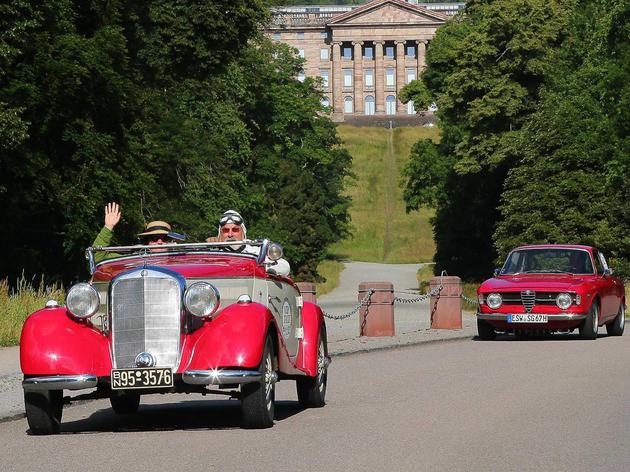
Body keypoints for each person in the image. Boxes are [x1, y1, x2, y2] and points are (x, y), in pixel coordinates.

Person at [92, 202, 184, 263]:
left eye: (164, 238)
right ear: (147, 241)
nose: (159, 242)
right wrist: (108, 227)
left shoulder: (181, 261)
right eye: (154, 238)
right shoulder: (133, 259)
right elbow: (98, 258)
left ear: (169, 241)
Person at [207, 210, 291, 276]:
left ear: (243, 232)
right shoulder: (212, 253)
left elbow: (285, 267)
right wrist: (210, 247)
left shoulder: (256, 252)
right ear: (220, 234)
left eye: (235, 230)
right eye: (225, 230)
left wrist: (263, 268)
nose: (230, 234)